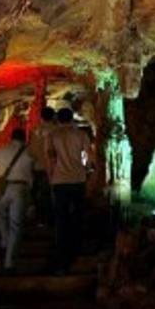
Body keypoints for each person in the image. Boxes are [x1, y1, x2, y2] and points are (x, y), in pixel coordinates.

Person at [45, 106, 95, 274]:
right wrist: (87, 169)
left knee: (61, 218)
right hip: (77, 179)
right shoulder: (81, 135)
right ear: (72, 119)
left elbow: (51, 158)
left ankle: (62, 254)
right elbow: (88, 155)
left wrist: (51, 177)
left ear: (58, 119)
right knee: (77, 215)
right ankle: (76, 249)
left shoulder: (52, 135)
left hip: (59, 180)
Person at [0, 127, 34, 273]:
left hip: (5, 187)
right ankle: (9, 261)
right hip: (21, 188)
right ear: (24, 138)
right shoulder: (29, 152)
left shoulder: (2, 150)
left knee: (1, 212)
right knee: (15, 224)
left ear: (11, 137)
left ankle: (4, 239)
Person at [28, 105, 55, 226]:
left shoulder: (35, 131)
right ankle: (50, 219)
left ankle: (40, 219)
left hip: (37, 167)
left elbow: (31, 151)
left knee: (38, 194)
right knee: (50, 194)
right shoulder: (56, 131)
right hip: (53, 168)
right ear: (53, 116)